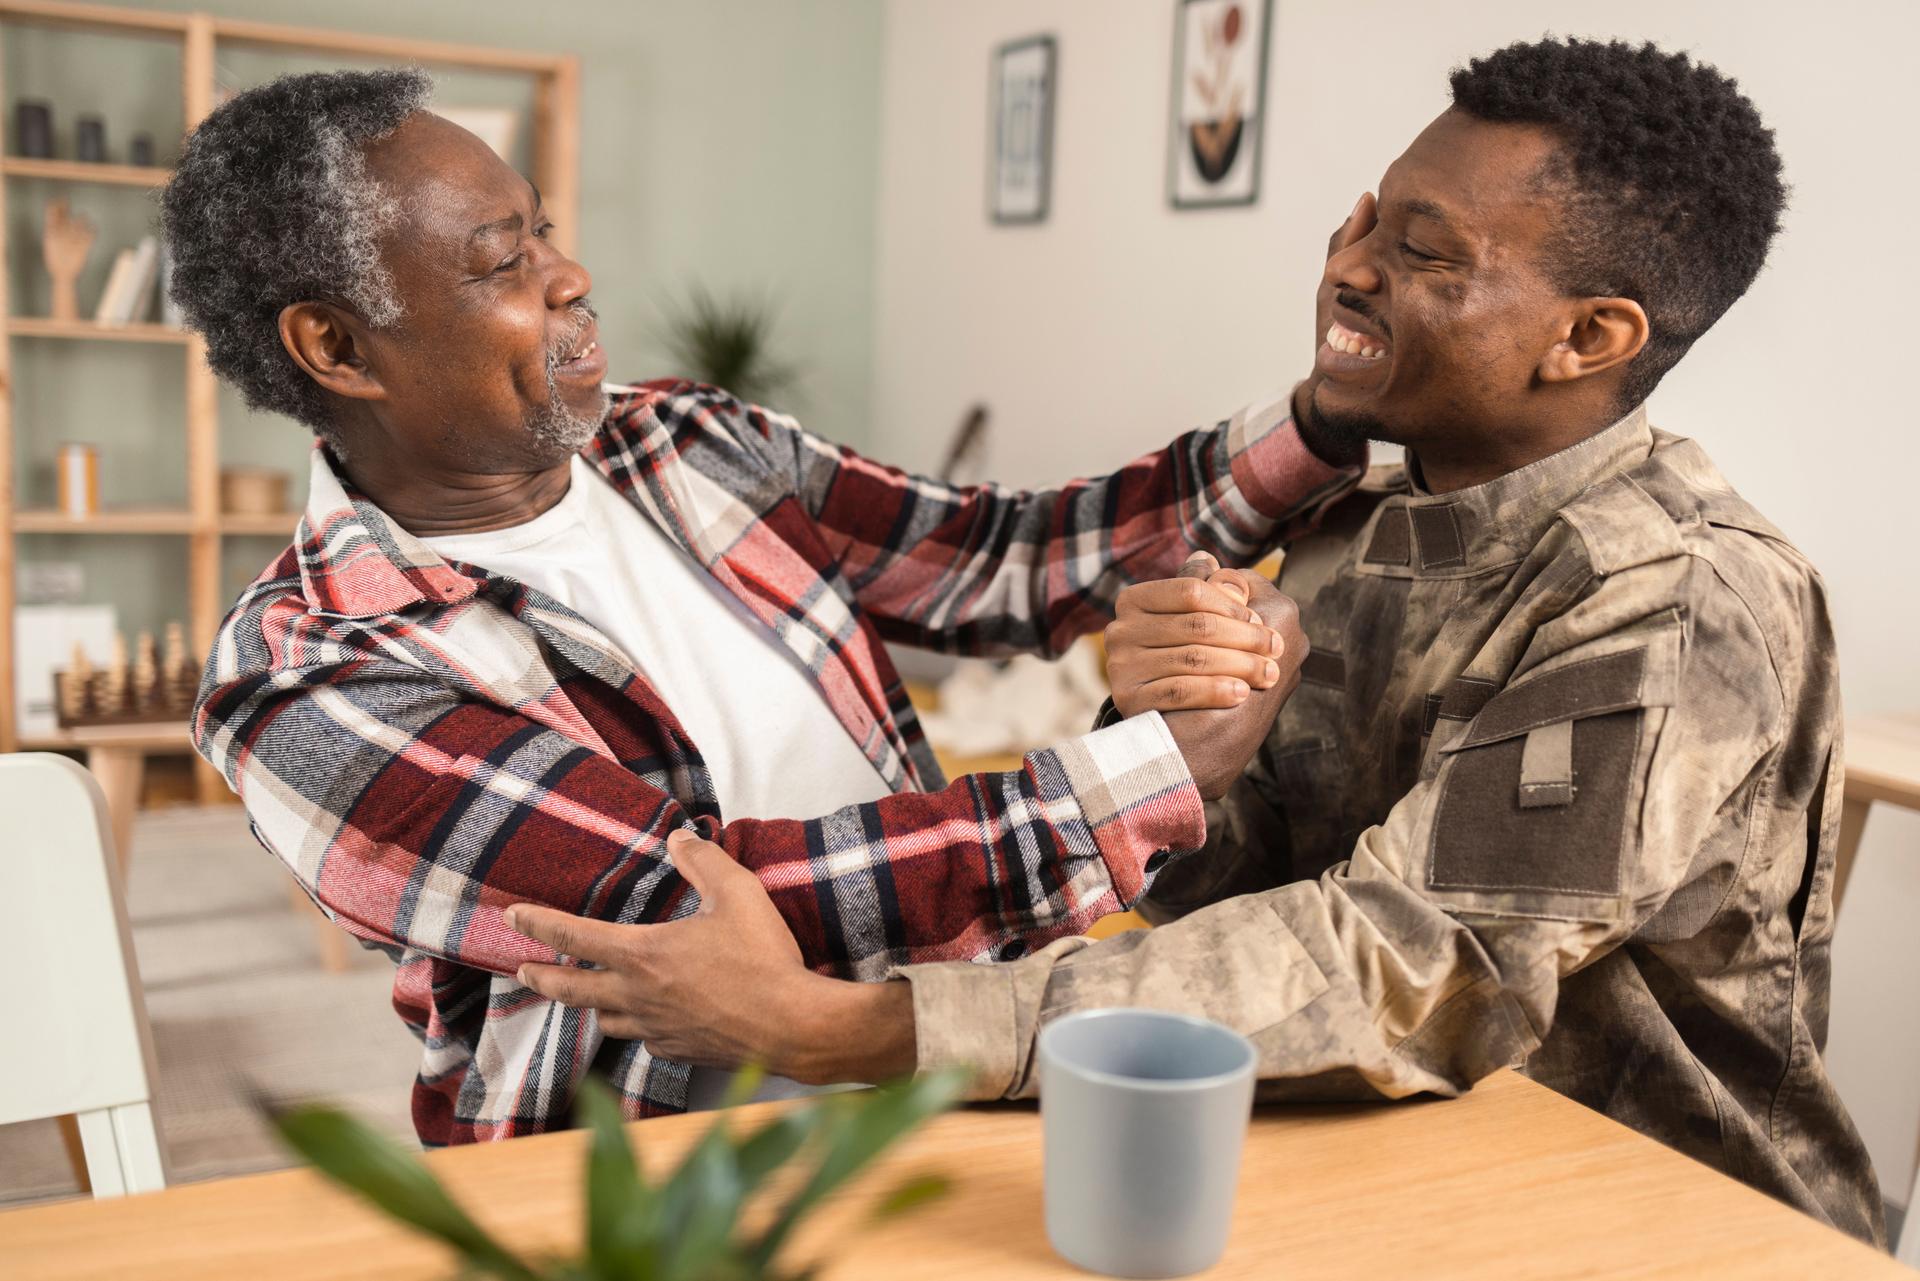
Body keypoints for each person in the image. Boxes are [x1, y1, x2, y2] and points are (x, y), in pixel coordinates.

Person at [506, 39, 1885, 1244]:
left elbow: (1409, 964)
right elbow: (1224, 894)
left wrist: (850, 1027)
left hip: (1658, 1213)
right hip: (1364, 1161)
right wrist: (1172, 746)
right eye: (1363, 223)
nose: (1349, 269)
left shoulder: (1679, 598)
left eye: (1421, 253)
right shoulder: (1356, 523)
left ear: (1589, 337)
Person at [170, 68, 1353, 1145]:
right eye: (500, 262)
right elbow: (701, 910)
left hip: (945, 1083)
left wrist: (1320, 426)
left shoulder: (684, 437)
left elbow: (1000, 557)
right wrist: (1151, 775)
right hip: (647, 1196)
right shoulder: (305, 673)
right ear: (336, 347)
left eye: (543, 229)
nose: (569, 277)